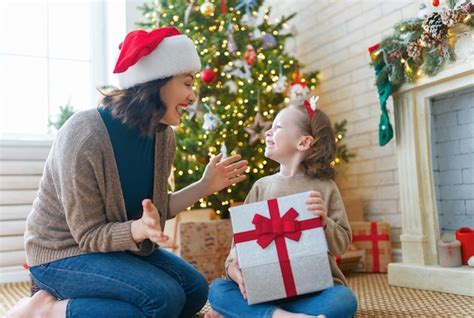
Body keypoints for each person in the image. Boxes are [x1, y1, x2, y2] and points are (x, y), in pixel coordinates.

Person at [8, 26, 248, 318]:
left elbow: (154, 211)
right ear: (156, 82)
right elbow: (89, 235)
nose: (192, 95)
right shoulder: (84, 135)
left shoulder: (163, 136)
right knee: (163, 299)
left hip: (118, 249)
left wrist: (204, 185)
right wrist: (138, 229)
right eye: (186, 83)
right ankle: (47, 310)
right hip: (62, 254)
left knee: (195, 291)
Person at [206, 97, 358, 318]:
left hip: (315, 291)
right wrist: (233, 268)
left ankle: (256, 315)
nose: (268, 132)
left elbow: (342, 244)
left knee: (344, 300)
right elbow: (238, 244)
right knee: (217, 291)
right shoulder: (261, 187)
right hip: (266, 290)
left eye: (276, 127)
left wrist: (324, 223)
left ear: (304, 143)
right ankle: (281, 316)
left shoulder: (325, 188)